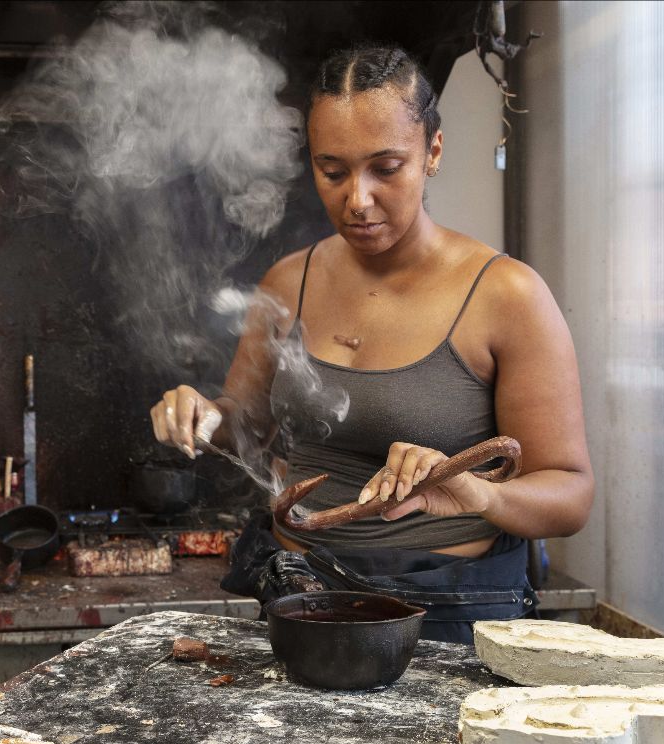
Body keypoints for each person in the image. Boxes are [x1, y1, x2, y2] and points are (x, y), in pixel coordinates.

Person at [150, 45, 594, 644]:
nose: (357, 200)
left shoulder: (507, 295)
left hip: (447, 612)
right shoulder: (289, 280)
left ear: (433, 152)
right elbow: (244, 425)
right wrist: (202, 415)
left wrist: (477, 493)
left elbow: (570, 494)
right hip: (301, 597)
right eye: (332, 171)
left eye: (385, 168)